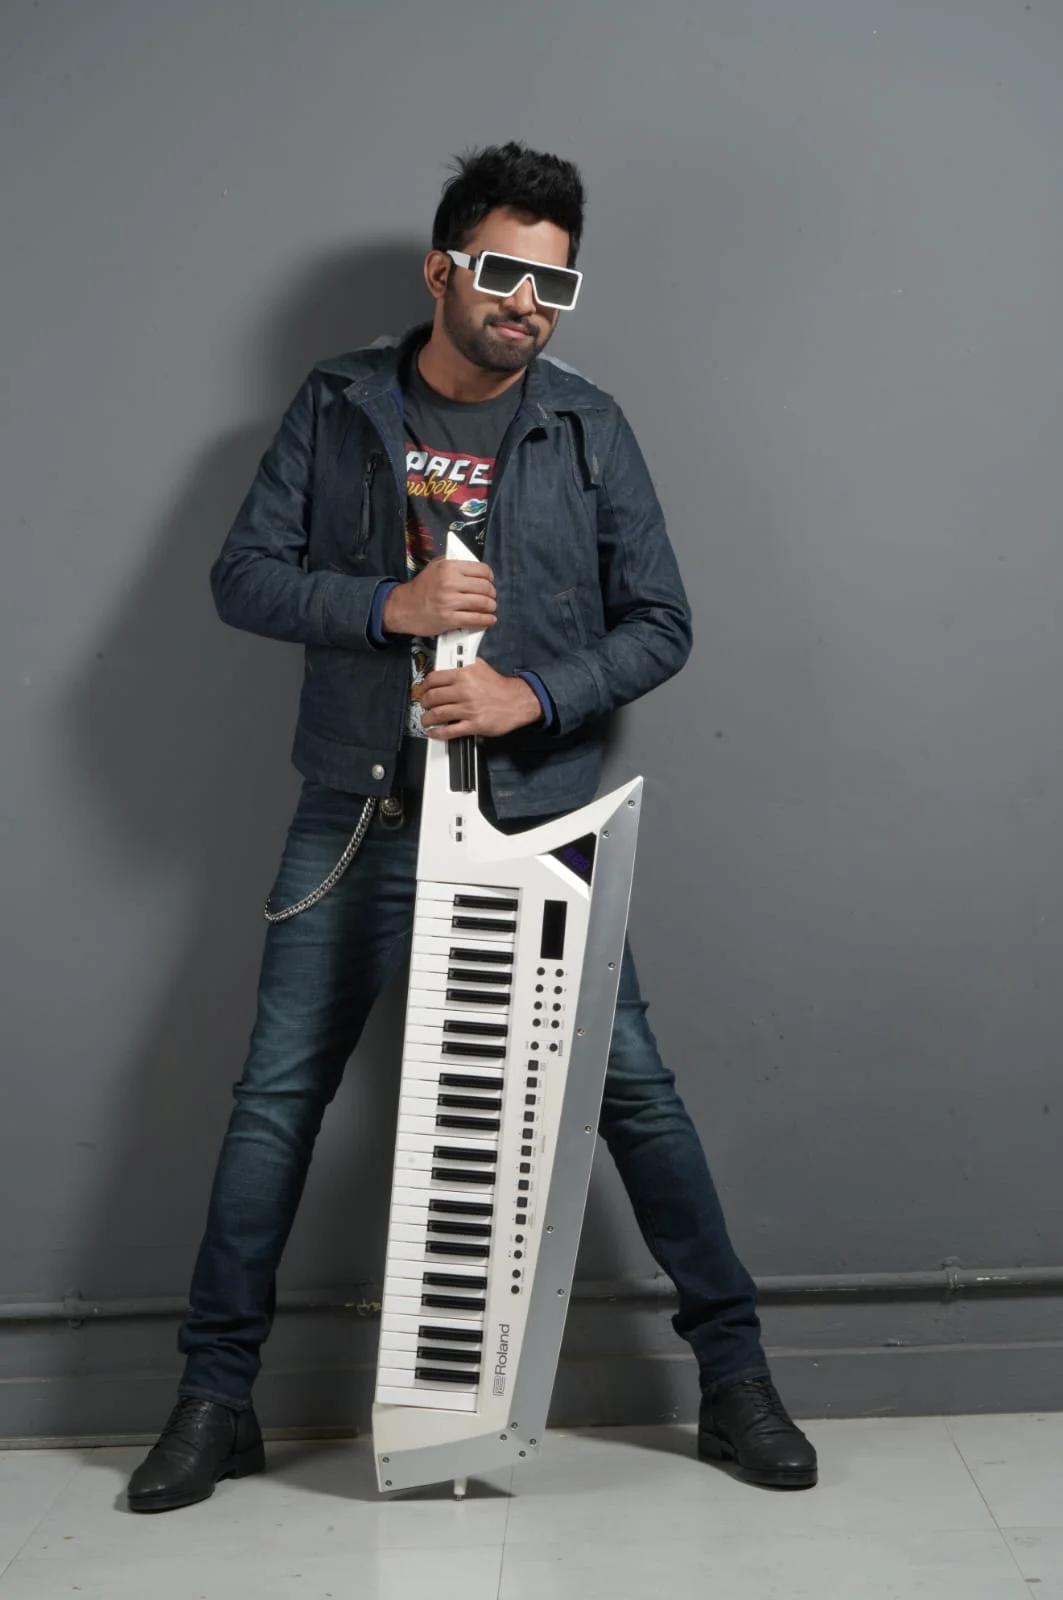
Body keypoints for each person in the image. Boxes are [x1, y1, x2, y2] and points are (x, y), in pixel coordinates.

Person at [127, 141, 817, 1513]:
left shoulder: (588, 427)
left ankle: (735, 1381)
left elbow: (661, 622)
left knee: (633, 1098)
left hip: (535, 820)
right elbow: (244, 577)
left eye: (555, 285)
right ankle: (215, 1399)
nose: (527, 304)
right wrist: (384, 609)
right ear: (442, 269)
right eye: (503, 273)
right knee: (275, 1102)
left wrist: (530, 696)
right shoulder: (338, 405)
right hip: (357, 814)